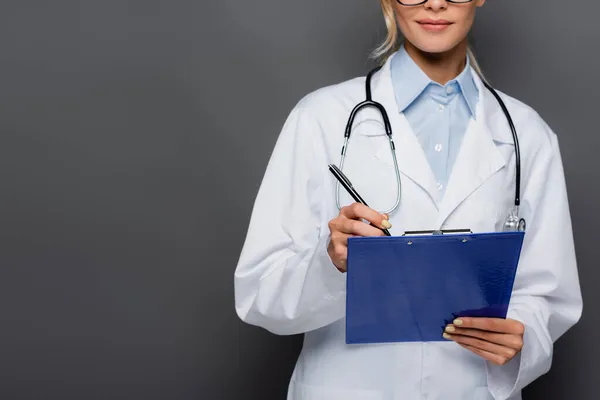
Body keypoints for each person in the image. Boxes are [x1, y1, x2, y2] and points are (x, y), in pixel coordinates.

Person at [234, 0, 583, 398]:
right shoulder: (320, 118)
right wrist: (329, 263)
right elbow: (258, 292)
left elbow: (549, 291)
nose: (435, 3)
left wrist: (522, 331)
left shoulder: (526, 134)